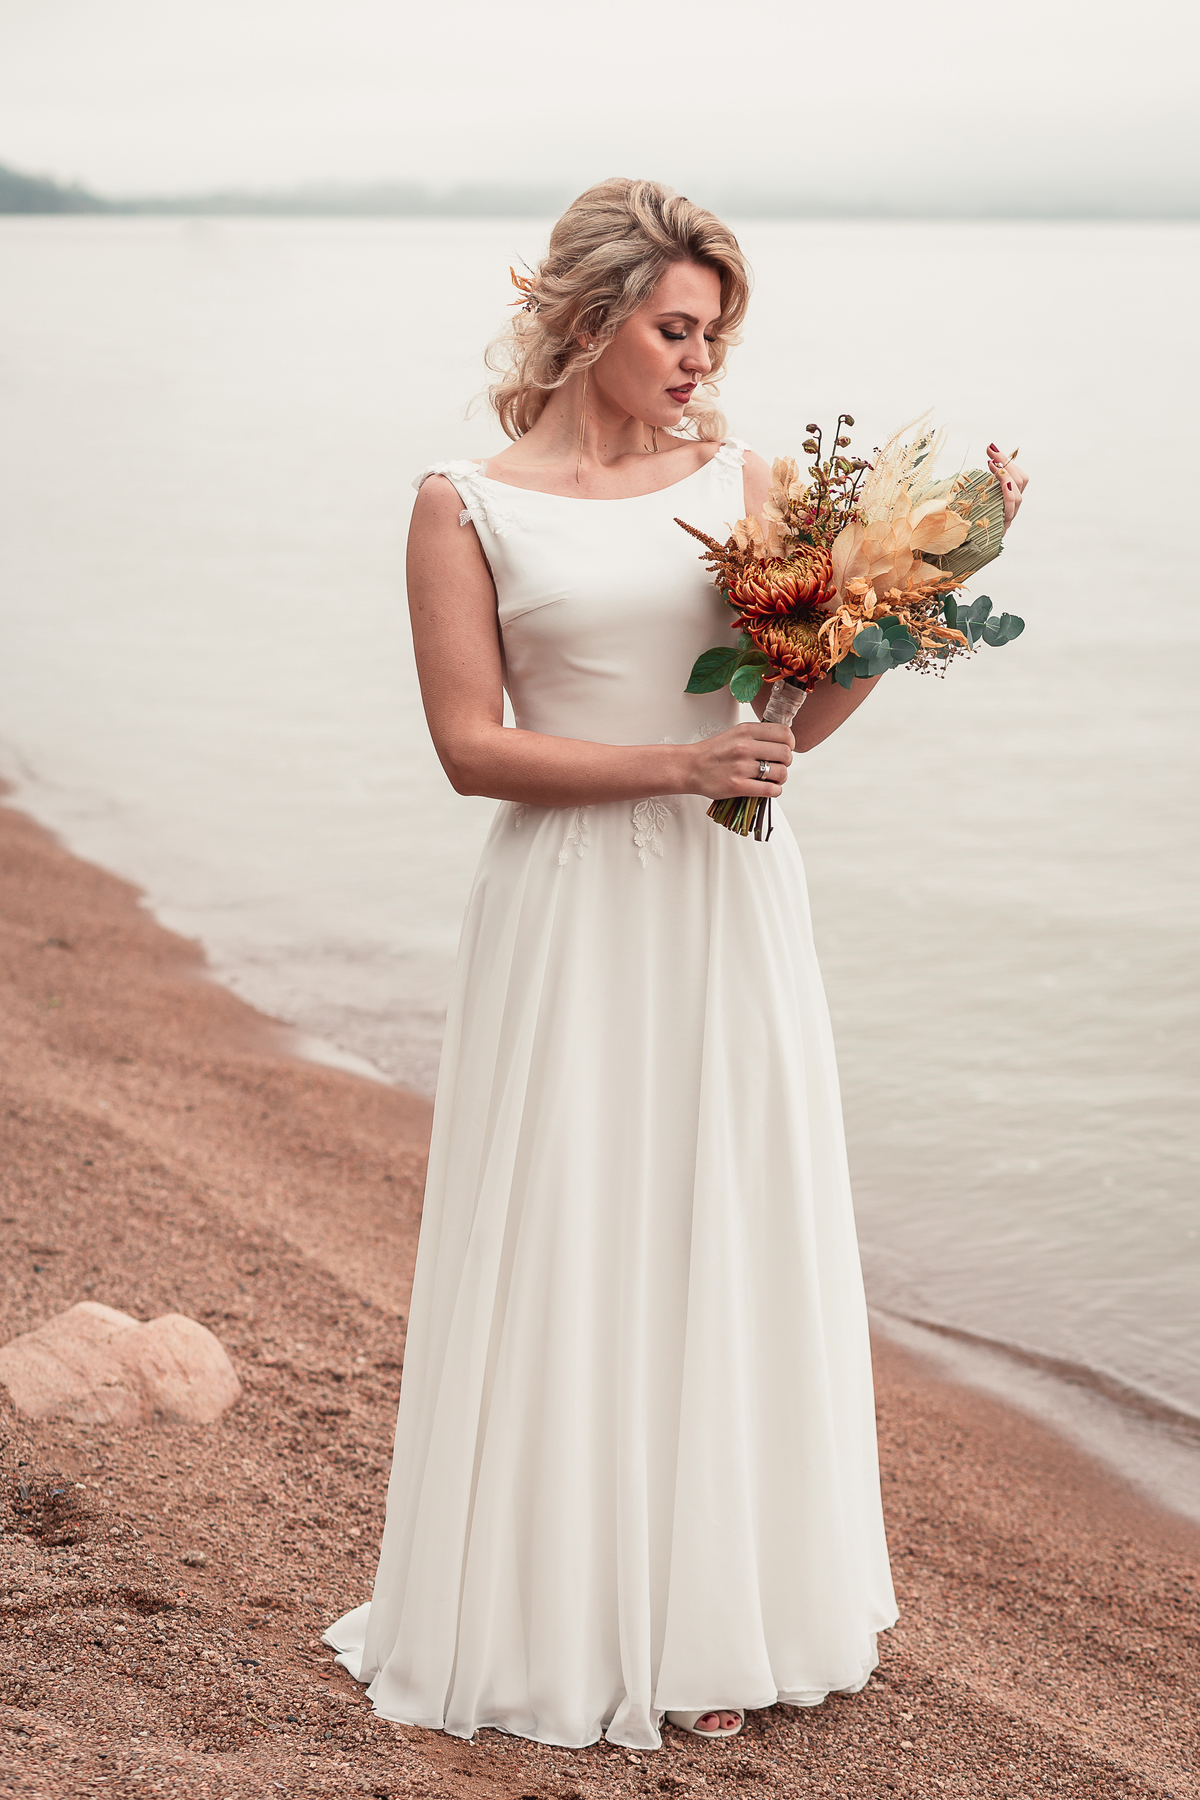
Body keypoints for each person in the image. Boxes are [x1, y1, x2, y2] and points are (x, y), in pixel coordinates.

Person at [325, 176, 1027, 1750]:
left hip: (728, 903)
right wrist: (673, 769)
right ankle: (549, 1616)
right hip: (566, 910)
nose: (703, 360)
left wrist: (915, 600)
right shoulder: (465, 500)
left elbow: (778, 735)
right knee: (575, 1224)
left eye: (715, 332)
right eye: (677, 327)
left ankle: (719, 1613)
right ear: (592, 321)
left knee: (727, 1220)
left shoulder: (747, 478)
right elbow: (469, 749)